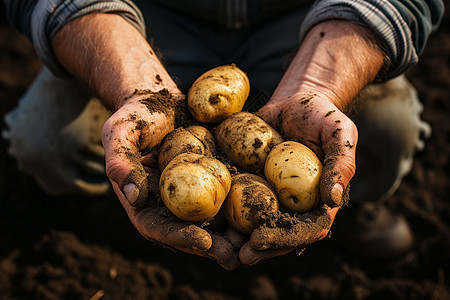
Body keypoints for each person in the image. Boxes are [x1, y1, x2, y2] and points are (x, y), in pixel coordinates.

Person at [2, 0, 444, 269]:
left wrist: (319, 87)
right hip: (142, 25)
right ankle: (89, 208)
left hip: (306, 25)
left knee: (388, 129)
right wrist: (136, 87)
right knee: (43, 138)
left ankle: (354, 200)